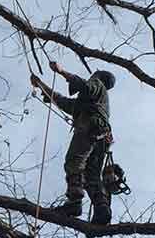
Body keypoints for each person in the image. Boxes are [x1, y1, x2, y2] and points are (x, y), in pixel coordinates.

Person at [30, 58, 120, 226]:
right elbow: (62, 101)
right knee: (91, 174)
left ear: (99, 76)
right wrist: (41, 85)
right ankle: (101, 208)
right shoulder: (89, 103)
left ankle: (74, 203)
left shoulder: (96, 85)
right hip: (102, 134)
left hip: (90, 127)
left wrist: (61, 71)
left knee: (74, 163)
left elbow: (86, 86)